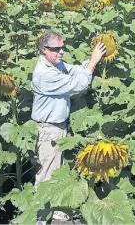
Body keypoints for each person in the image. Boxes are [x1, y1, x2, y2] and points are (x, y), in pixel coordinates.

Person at [31, 29, 106, 224]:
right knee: (47, 175)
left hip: (58, 127)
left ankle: (54, 211)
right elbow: (79, 85)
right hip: (49, 130)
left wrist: (91, 61)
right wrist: (92, 63)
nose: (61, 52)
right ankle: (41, 218)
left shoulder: (55, 65)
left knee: (57, 172)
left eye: (62, 47)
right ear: (44, 49)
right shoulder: (44, 73)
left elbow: (75, 70)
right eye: (56, 49)